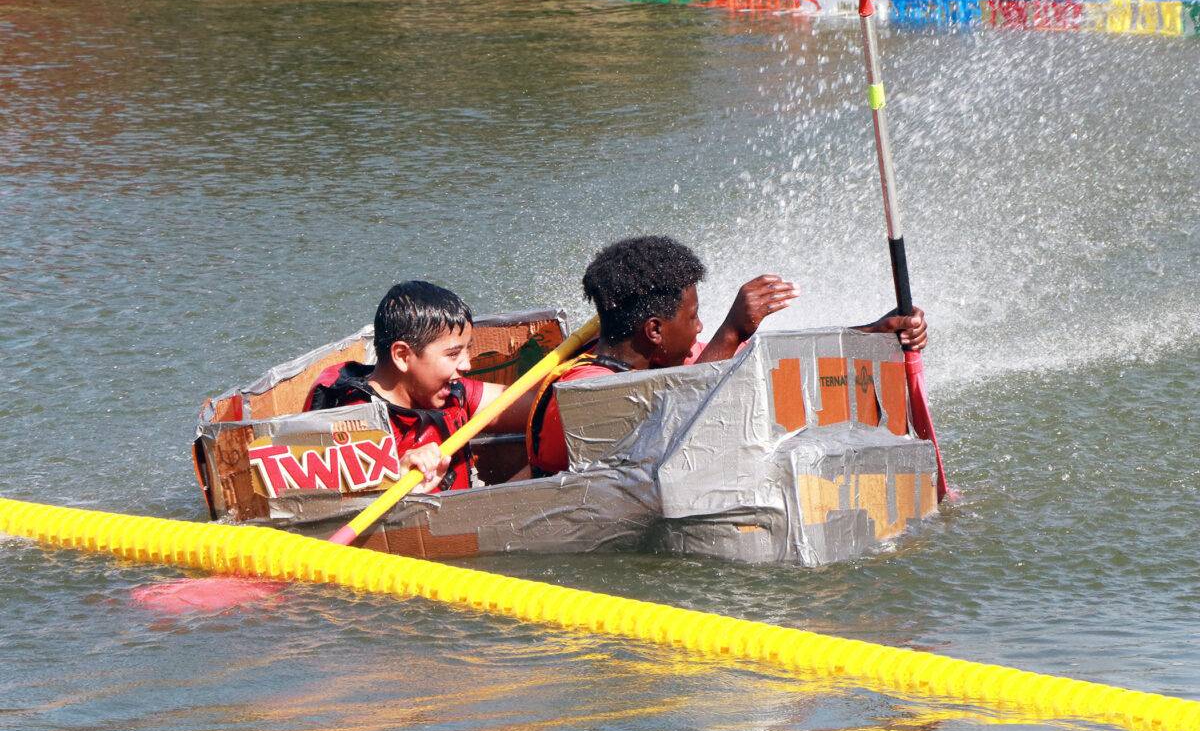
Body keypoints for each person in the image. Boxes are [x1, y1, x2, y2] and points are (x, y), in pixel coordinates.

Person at [526, 235, 927, 476]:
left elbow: (763, 365)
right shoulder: (584, 394)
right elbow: (671, 428)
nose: (701, 328)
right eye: (694, 317)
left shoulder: (668, 364)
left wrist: (875, 333)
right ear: (654, 331)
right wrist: (732, 329)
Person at [305, 281, 532, 493]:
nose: (467, 364)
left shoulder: (450, 393)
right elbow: (332, 506)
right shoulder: (353, 425)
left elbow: (537, 405)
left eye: (466, 350)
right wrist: (396, 474)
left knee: (549, 454)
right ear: (403, 356)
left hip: (464, 519)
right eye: (453, 354)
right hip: (407, 530)